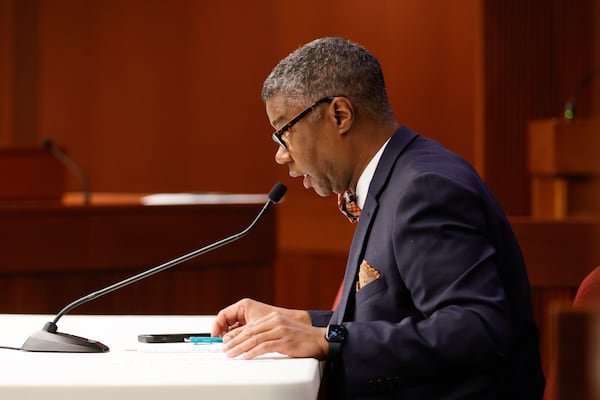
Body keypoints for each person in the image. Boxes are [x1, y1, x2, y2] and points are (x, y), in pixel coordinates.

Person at [211, 36, 545, 399]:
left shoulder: (425, 188)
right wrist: (302, 322)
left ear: (339, 114)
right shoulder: (397, 176)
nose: (281, 156)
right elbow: (405, 314)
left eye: (283, 132)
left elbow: (476, 328)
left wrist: (327, 338)